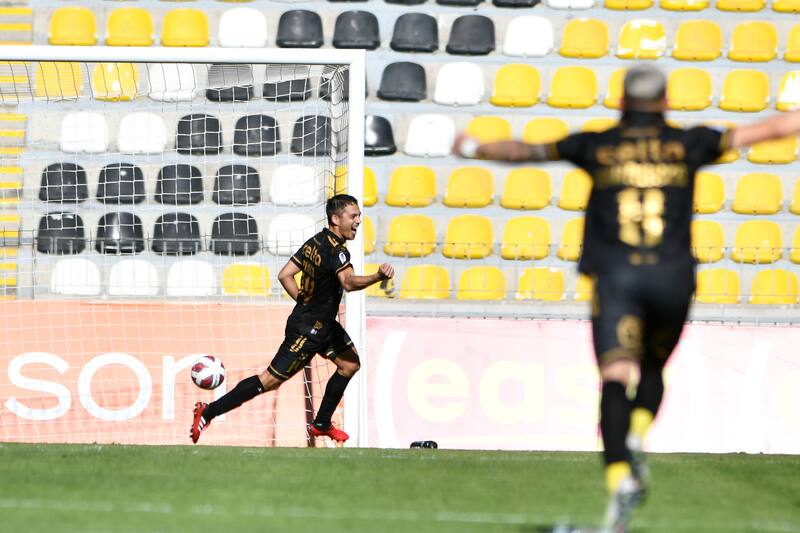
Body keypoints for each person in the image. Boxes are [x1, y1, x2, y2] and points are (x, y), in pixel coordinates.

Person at [454, 63, 800, 532]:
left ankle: (620, 476)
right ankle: (636, 437)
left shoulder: (597, 143)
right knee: (654, 369)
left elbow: (525, 152)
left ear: (620, 102)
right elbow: (772, 128)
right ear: (665, 102)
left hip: (617, 277)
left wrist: (472, 147)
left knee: (615, 376)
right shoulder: (689, 141)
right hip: (674, 278)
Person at [191, 194, 394, 445]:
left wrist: (304, 301)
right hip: (306, 331)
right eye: (353, 216)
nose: (358, 221)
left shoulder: (314, 242)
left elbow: (285, 274)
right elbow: (349, 283)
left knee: (350, 364)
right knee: (269, 381)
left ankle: (321, 423)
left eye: (359, 216)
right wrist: (377, 276)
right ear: (335, 218)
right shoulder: (337, 251)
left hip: (323, 325)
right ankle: (207, 412)